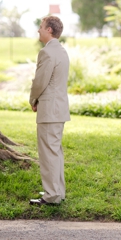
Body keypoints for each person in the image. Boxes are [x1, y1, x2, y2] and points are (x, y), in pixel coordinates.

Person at [29, 16, 70, 206]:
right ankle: (57, 191)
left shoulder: (46, 53)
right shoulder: (62, 51)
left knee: (48, 153)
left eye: (41, 27)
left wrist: (33, 99)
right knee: (55, 152)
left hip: (49, 110)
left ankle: (51, 195)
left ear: (50, 30)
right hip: (59, 109)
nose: (39, 30)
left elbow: (40, 82)